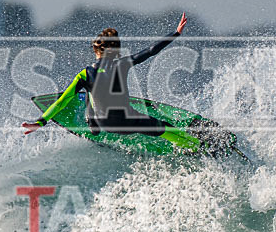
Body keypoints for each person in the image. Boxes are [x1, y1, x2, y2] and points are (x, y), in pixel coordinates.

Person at [22, 13, 201, 152]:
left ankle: (92, 123)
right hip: (129, 122)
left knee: (87, 92)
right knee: (167, 129)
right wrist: (176, 33)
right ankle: (196, 146)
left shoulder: (85, 74)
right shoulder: (122, 64)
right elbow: (151, 51)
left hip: (105, 124)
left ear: (96, 51)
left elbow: (62, 102)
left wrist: (39, 122)